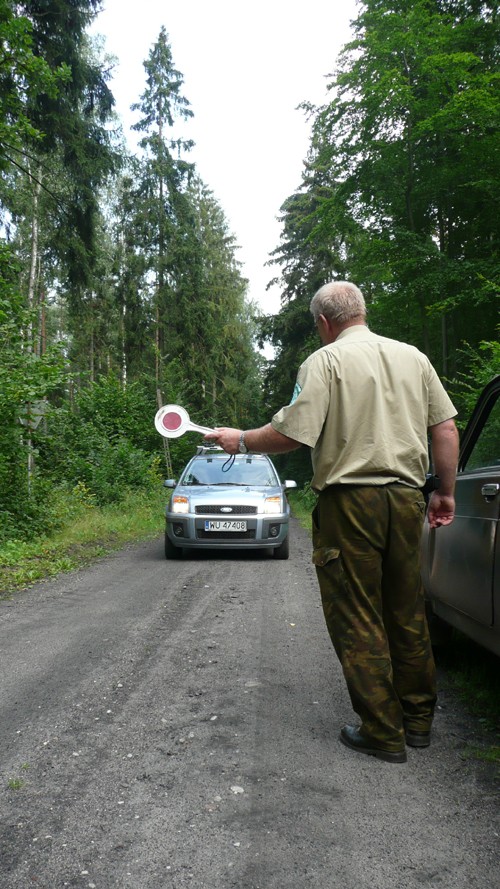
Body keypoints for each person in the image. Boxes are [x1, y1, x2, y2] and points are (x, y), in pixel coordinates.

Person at [205, 281, 459, 764]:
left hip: (350, 505)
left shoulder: (325, 361)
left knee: (357, 614)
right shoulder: (413, 357)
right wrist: (444, 491)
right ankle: (418, 723)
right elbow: (444, 428)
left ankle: (383, 731)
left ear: (324, 322)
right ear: (362, 311)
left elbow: (291, 434)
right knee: (407, 610)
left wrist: (239, 439)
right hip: (407, 499)